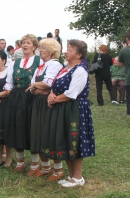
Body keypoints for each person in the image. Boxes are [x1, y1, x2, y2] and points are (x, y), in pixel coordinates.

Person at [41, 40, 95, 187]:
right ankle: (70, 176)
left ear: (79, 55)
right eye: (67, 49)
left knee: (74, 142)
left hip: (74, 109)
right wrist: (51, 94)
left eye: (70, 50)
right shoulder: (65, 68)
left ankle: (78, 177)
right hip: (62, 108)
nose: (66, 52)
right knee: (65, 140)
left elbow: (72, 93)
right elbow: (55, 85)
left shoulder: (80, 70)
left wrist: (54, 100)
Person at [27, 38, 63, 179]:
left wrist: (37, 87)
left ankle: (58, 169)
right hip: (38, 101)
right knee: (39, 133)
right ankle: (45, 166)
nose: (39, 50)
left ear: (52, 51)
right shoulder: (40, 66)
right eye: (40, 48)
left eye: (43, 48)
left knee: (50, 133)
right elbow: (31, 87)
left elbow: (49, 83)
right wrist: (36, 88)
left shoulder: (54, 65)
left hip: (48, 103)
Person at [4, 34, 40, 172]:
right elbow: (9, 82)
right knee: (17, 127)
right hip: (17, 98)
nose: (25, 45)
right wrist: (9, 91)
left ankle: (35, 164)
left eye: (28, 43)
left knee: (32, 128)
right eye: (23, 43)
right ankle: (20, 162)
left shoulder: (39, 61)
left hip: (32, 97)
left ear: (34, 46)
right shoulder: (14, 63)